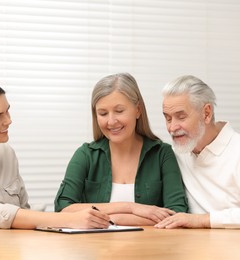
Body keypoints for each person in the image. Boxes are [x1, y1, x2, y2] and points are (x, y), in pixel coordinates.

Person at [0, 78, 111, 229]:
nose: (9, 120)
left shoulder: (6, 154)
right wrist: (69, 219)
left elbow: (23, 210)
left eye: (7, 110)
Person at [54, 73, 188, 226]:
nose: (111, 121)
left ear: (138, 110)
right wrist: (131, 208)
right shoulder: (85, 155)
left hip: (150, 248)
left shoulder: (162, 154)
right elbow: (63, 209)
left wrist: (115, 219)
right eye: (103, 113)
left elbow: (176, 213)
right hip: (96, 248)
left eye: (119, 111)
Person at [155, 75, 240, 229]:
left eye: (181, 117)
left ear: (206, 113)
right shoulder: (177, 153)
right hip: (193, 247)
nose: (172, 128)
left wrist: (201, 220)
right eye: (168, 118)